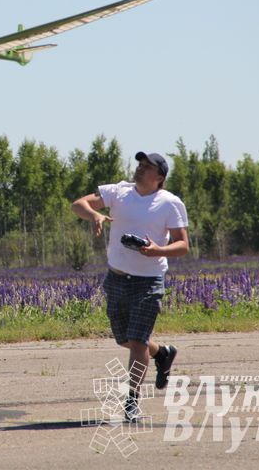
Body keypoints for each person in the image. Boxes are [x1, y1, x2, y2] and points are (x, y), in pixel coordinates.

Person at [71, 151, 189, 421]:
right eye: (140, 164)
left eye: (147, 167)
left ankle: (132, 401)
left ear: (159, 177)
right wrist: (95, 216)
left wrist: (158, 249)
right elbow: (78, 205)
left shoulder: (170, 203)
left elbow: (183, 245)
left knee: (137, 342)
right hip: (116, 277)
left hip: (148, 281)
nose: (140, 168)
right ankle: (162, 352)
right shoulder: (118, 192)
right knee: (124, 338)